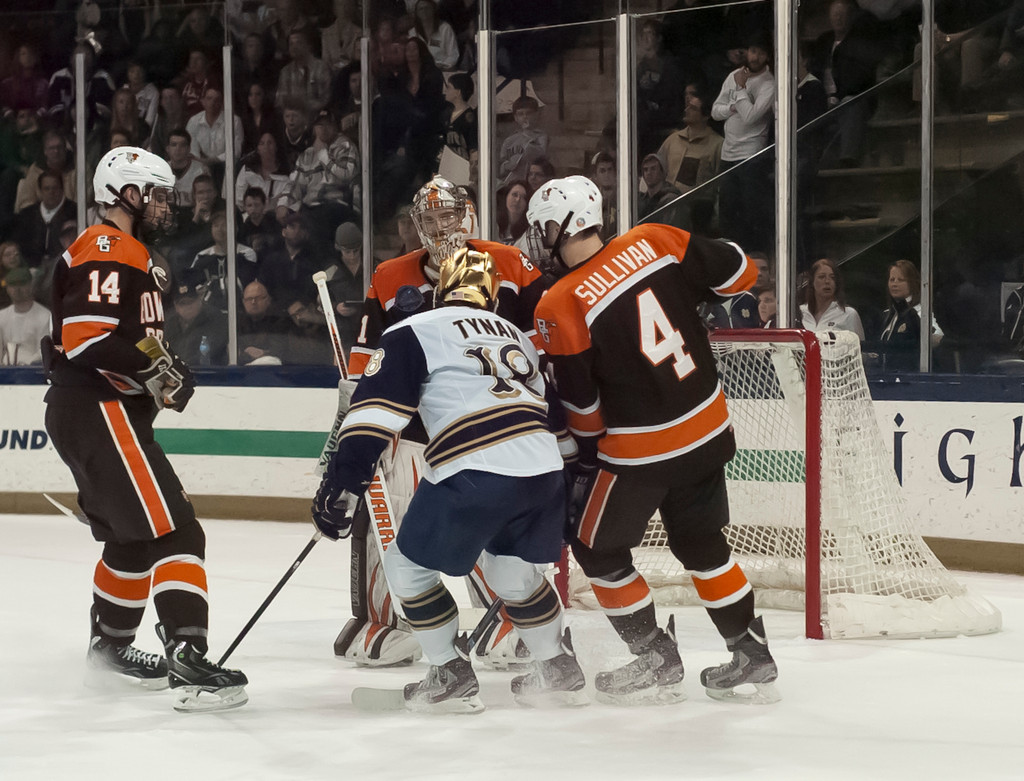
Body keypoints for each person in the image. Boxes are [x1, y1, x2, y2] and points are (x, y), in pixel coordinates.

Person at [527, 175, 780, 705]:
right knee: (701, 543)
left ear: (568, 225)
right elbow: (742, 273)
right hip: (710, 428)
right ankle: (750, 651)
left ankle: (654, 656)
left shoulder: (560, 302)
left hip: (644, 452)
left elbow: (584, 412)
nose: (538, 236)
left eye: (543, 226)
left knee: (595, 547)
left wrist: (586, 460)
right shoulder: (656, 239)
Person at [312, 248, 584, 713]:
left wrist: (342, 484)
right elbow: (557, 421)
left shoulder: (413, 329)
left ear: (440, 291)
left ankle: (448, 673)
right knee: (511, 571)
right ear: (492, 296)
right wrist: (573, 488)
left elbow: (373, 416)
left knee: (406, 566)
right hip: (543, 470)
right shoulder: (517, 337)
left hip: (475, 467)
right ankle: (556, 667)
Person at [43, 146, 247, 712]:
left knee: (131, 540)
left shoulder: (136, 253)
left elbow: (123, 340)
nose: (166, 204)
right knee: (179, 533)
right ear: (126, 195)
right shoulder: (110, 244)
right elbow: (86, 337)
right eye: (156, 193)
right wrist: (155, 368)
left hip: (99, 410)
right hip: (97, 408)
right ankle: (189, 657)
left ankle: (109, 653)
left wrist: (161, 374)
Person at [338, 175, 561, 670]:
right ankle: (388, 625)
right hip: (432, 433)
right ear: (415, 226)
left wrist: (345, 459)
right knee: (398, 530)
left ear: (471, 215)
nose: (442, 227)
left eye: (450, 215)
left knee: (438, 551)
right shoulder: (390, 276)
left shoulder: (508, 263)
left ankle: (473, 649)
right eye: (431, 219)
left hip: (471, 435)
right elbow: (365, 361)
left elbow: (549, 338)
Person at [711, 31, 776, 252]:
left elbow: (750, 117)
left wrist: (739, 89)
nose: (754, 57)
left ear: (767, 56)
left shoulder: (769, 84)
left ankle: (757, 257)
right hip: (728, 154)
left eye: (759, 53)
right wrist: (733, 106)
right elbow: (715, 111)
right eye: (752, 51)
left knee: (751, 213)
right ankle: (730, 257)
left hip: (752, 155)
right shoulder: (733, 75)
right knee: (727, 212)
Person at [164, 267, 230, 365]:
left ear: (199, 300)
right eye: (182, 303)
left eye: (190, 302)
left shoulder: (215, 318)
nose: (187, 307)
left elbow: (214, 352)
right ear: (175, 306)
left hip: (210, 373)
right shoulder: (168, 322)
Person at [800, 257, 865, 339]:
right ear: (812, 281)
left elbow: (860, 348)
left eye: (832, 277)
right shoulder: (800, 313)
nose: (827, 281)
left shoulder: (848, 314)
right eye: (821, 277)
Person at [0, 266, 51, 365]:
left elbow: (44, 351)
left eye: (22, 284)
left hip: (33, 373)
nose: (17, 289)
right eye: (13, 285)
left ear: (31, 285)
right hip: (5, 374)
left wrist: (27, 363)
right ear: (7, 289)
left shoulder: (45, 316)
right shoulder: (1, 316)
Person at [498, 96, 549, 187]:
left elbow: (541, 154)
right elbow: (501, 166)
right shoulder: (509, 140)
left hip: (533, 182)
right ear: (515, 117)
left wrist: (527, 133)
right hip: (512, 183)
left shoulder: (541, 136)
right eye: (521, 114)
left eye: (528, 113)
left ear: (536, 115)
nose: (525, 117)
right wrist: (507, 165)